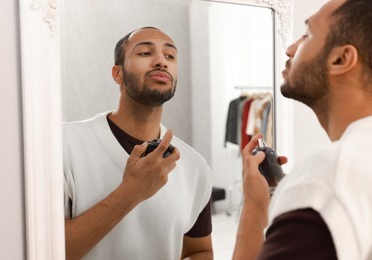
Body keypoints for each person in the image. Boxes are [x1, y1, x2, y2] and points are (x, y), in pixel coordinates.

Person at [233, 0, 372, 259]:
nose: (289, 48)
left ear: (341, 59)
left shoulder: (326, 180)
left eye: (306, 35)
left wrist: (254, 208)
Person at [63, 27, 213, 260]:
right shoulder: (64, 145)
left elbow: (199, 251)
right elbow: (42, 250)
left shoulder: (195, 166)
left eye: (170, 56)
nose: (161, 61)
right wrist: (131, 193)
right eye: (145, 53)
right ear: (117, 74)